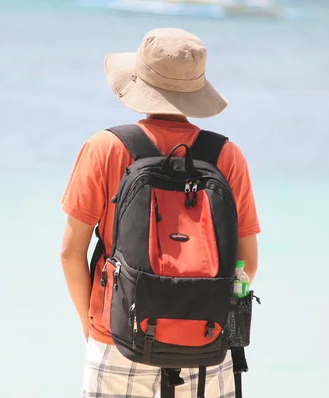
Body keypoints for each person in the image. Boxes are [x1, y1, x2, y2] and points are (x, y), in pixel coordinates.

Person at [60, 27, 261, 397]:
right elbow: (246, 264)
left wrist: (94, 331)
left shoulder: (105, 148)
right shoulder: (227, 156)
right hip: (207, 343)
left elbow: (70, 252)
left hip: (117, 336)